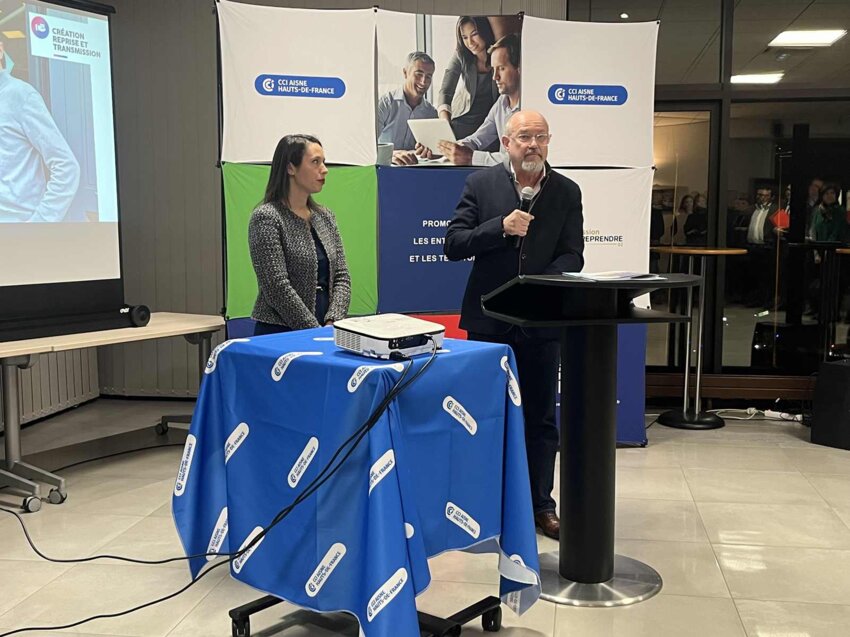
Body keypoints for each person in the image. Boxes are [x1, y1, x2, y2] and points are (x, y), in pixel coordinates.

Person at [443, 110, 584, 539]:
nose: (533, 145)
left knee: (541, 419)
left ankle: (541, 504)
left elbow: (573, 255)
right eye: (525, 136)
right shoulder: (480, 185)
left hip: (540, 322)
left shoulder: (565, 191)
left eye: (541, 137)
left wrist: (542, 283)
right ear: (506, 143)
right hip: (489, 323)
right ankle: (485, 504)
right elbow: (454, 244)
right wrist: (499, 228)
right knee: (485, 417)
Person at [248, 135, 351, 336]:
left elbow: (341, 276)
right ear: (290, 168)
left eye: (324, 162)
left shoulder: (325, 216)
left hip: (327, 331)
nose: (324, 169)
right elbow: (276, 287)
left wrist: (333, 322)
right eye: (315, 162)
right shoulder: (267, 218)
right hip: (279, 333)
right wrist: (313, 332)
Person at [0, 38, 80, 222]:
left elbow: (67, 166)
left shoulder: (22, 95)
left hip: (18, 235)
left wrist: (39, 224)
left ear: (1, 50)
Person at [423, 33, 521, 167]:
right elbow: (478, 139)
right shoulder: (502, 103)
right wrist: (446, 149)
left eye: (502, 69)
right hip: (502, 179)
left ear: (519, 69)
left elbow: (519, 159)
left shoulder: (531, 109)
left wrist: (472, 158)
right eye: (493, 69)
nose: (495, 77)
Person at [437, 16, 498, 139]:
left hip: (490, 122)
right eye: (465, 37)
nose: (470, 43)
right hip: (463, 119)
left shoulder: (498, 54)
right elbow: (446, 91)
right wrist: (445, 123)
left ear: (484, 32)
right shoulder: (461, 55)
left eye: (474, 34)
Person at [376, 51, 437, 165]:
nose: (423, 82)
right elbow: (368, 145)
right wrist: (392, 155)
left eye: (428, 76)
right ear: (405, 73)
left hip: (414, 170)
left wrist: (429, 152)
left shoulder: (431, 113)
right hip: (385, 167)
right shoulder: (386, 104)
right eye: (418, 74)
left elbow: (433, 152)